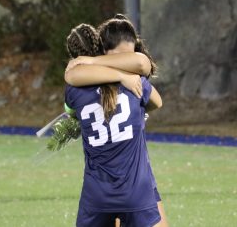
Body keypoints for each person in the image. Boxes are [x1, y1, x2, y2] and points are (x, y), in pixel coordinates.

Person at [65, 19, 166, 227]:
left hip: (97, 196)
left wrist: (90, 62)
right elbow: (157, 101)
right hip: (136, 190)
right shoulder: (136, 83)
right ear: (104, 50)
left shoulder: (75, 90)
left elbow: (71, 94)